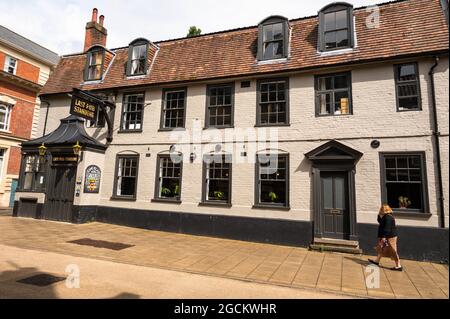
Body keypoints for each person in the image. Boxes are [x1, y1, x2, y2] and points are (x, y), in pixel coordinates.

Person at [368, 204, 403, 271]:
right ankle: (376, 261)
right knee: (381, 248)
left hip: (390, 237)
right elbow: (380, 222)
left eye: (381, 209)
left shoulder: (388, 217)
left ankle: (398, 266)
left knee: (393, 250)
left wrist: (384, 237)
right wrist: (378, 215)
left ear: (384, 210)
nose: (380, 210)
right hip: (387, 236)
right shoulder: (385, 216)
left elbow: (387, 228)